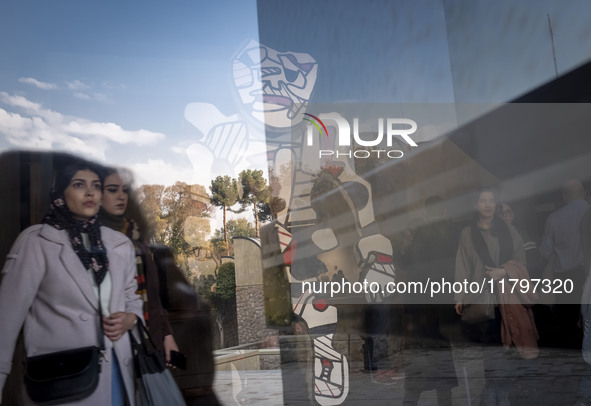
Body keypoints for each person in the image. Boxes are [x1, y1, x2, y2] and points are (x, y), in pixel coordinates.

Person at [0, 159, 142, 405]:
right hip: (62, 379)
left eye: (96, 186)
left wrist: (131, 318)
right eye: (78, 185)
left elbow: (132, 298)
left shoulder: (119, 244)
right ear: (60, 192)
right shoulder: (36, 242)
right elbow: (6, 321)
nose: (89, 192)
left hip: (117, 370)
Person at [455, 188, 537, 405]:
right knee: (491, 354)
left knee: (509, 351)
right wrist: (459, 296)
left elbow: (522, 263)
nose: (488, 204)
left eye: (491, 200)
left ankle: (501, 396)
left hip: (508, 298)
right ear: (476, 205)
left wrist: (505, 272)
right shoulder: (467, 233)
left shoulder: (509, 231)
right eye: (483, 200)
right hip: (483, 301)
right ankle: (495, 395)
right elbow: (462, 265)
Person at [99, 167, 179, 365]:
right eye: (112, 189)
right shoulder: (91, 241)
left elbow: (152, 296)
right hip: (110, 342)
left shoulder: (136, 237)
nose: (121, 196)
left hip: (147, 339)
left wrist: (167, 335)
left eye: (124, 190)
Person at [539, 179, 589, 348]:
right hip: (588, 275)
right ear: (585, 193)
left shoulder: (554, 218)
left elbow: (544, 251)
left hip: (565, 276)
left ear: (564, 196)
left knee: (568, 323)